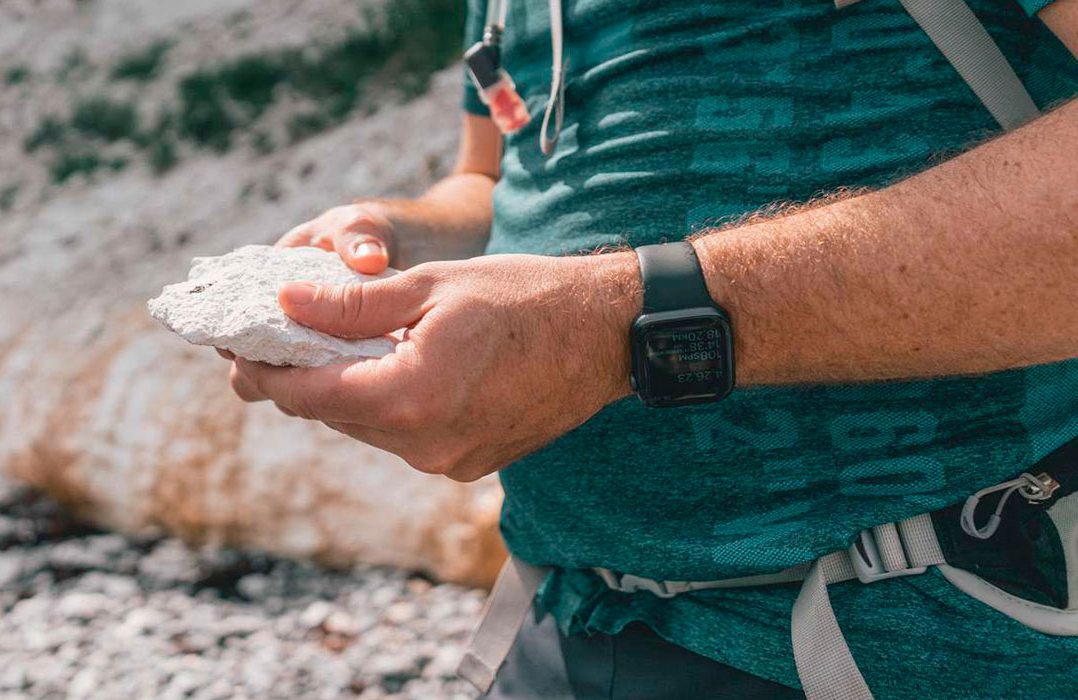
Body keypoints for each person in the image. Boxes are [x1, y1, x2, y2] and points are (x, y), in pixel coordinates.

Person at [221, 0, 1078, 697]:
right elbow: (492, 174)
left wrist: (617, 325)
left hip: (937, 635)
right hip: (566, 620)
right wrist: (395, 236)